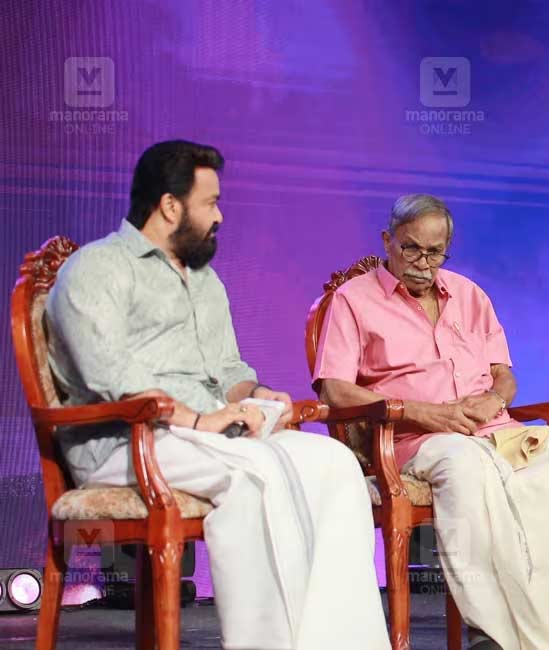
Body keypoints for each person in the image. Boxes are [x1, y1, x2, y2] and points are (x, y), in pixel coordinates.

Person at [46, 140, 388, 649]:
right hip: (125, 441)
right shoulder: (97, 269)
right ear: (170, 206)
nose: (220, 215)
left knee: (333, 464)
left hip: (208, 433)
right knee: (256, 474)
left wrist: (257, 393)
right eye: (210, 203)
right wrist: (198, 420)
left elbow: (227, 369)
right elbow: (110, 373)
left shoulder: (203, 280)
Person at [313, 194, 549, 650]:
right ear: (387, 241)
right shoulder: (352, 301)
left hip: (494, 431)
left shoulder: (470, 295)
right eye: (411, 248)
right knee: (468, 468)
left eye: (435, 252)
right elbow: (334, 390)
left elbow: (504, 375)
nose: (423, 263)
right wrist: (421, 411)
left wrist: (494, 399)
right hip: (416, 438)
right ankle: (491, 633)